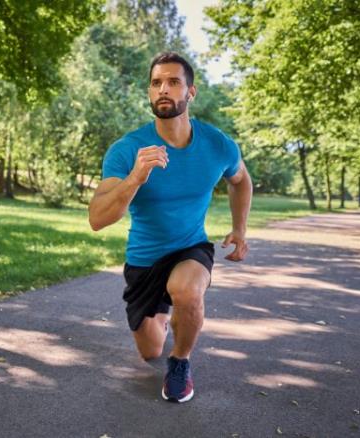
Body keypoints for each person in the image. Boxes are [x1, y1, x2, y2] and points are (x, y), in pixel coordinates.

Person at [88, 52, 252, 403]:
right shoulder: (127, 149)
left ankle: (180, 362)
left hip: (190, 249)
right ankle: (162, 313)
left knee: (188, 290)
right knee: (149, 350)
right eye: (156, 82)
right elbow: (98, 219)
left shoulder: (217, 144)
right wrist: (136, 176)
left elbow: (241, 180)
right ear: (149, 92)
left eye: (173, 82)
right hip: (144, 260)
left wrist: (240, 229)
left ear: (191, 92)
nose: (164, 89)